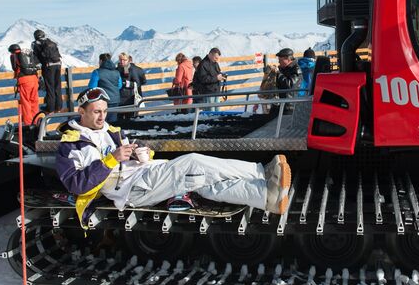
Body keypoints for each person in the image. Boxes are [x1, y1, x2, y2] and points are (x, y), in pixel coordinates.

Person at [55, 87, 291, 228]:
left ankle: (265, 195)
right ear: (81, 112)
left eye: (105, 111)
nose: (102, 117)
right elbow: (77, 184)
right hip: (132, 189)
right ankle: (260, 172)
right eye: (97, 112)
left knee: (203, 183)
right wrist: (111, 160)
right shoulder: (71, 144)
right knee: (193, 162)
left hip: (145, 173)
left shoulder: (112, 131)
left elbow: (138, 147)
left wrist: (143, 152)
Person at [8, 44, 40, 125]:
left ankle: (29, 124)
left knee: (26, 102)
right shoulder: (28, 54)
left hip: (25, 81)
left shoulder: (14, 55)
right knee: (34, 101)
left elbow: (15, 68)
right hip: (34, 79)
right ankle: (36, 121)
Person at [31, 29, 63, 113]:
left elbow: (36, 57)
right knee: (57, 86)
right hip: (58, 65)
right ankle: (59, 107)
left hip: (48, 67)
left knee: (50, 87)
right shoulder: (50, 42)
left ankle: (50, 108)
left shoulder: (36, 44)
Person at [89, 53, 122, 122]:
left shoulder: (97, 72)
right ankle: (113, 132)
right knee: (113, 120)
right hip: (115, 100)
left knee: (102, 120)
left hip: (103, 100)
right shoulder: (116, 72)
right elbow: (120, 85)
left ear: (101, 61)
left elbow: (92, 87)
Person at [117, 52, 147, 120]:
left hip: (128, 98)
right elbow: (144, 81)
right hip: (129, 98)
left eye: (124, 60)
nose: (122, 61)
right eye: (120, 59)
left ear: (128, 60)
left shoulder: (124, 70)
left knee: (123, 118)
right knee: (130, 118)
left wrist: (127, 84)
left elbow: (137, 83)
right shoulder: (138, 69)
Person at [274, 48, 302, 115]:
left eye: (280, 60)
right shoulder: (283, 68)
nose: (279, 62)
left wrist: (278, 74)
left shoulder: (296, 69)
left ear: (288, 59)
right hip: (279, 104)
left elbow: (290, 85)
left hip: (290, 106)